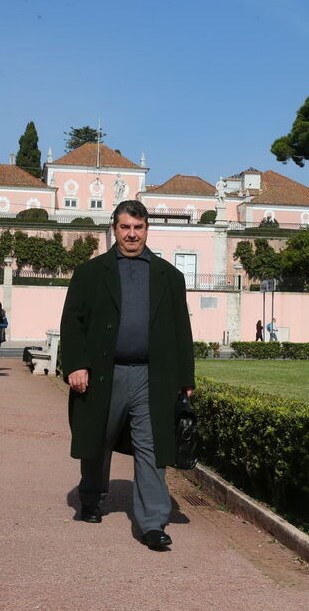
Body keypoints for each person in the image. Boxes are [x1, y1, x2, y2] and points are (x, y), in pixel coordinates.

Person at [61, 199, 195, 551]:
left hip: (152, 376)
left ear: (147, 229)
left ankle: (153, 523)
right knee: (97, 439)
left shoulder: (170, 276)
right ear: (114, 229)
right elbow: (72, 324)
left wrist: (186, 379)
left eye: (138, 227)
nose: (132, 234)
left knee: (151, 448)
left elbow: (182, 330)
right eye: (125, 227)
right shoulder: (90, 274)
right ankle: (91, 498)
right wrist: (75, 364)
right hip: (104, 373)